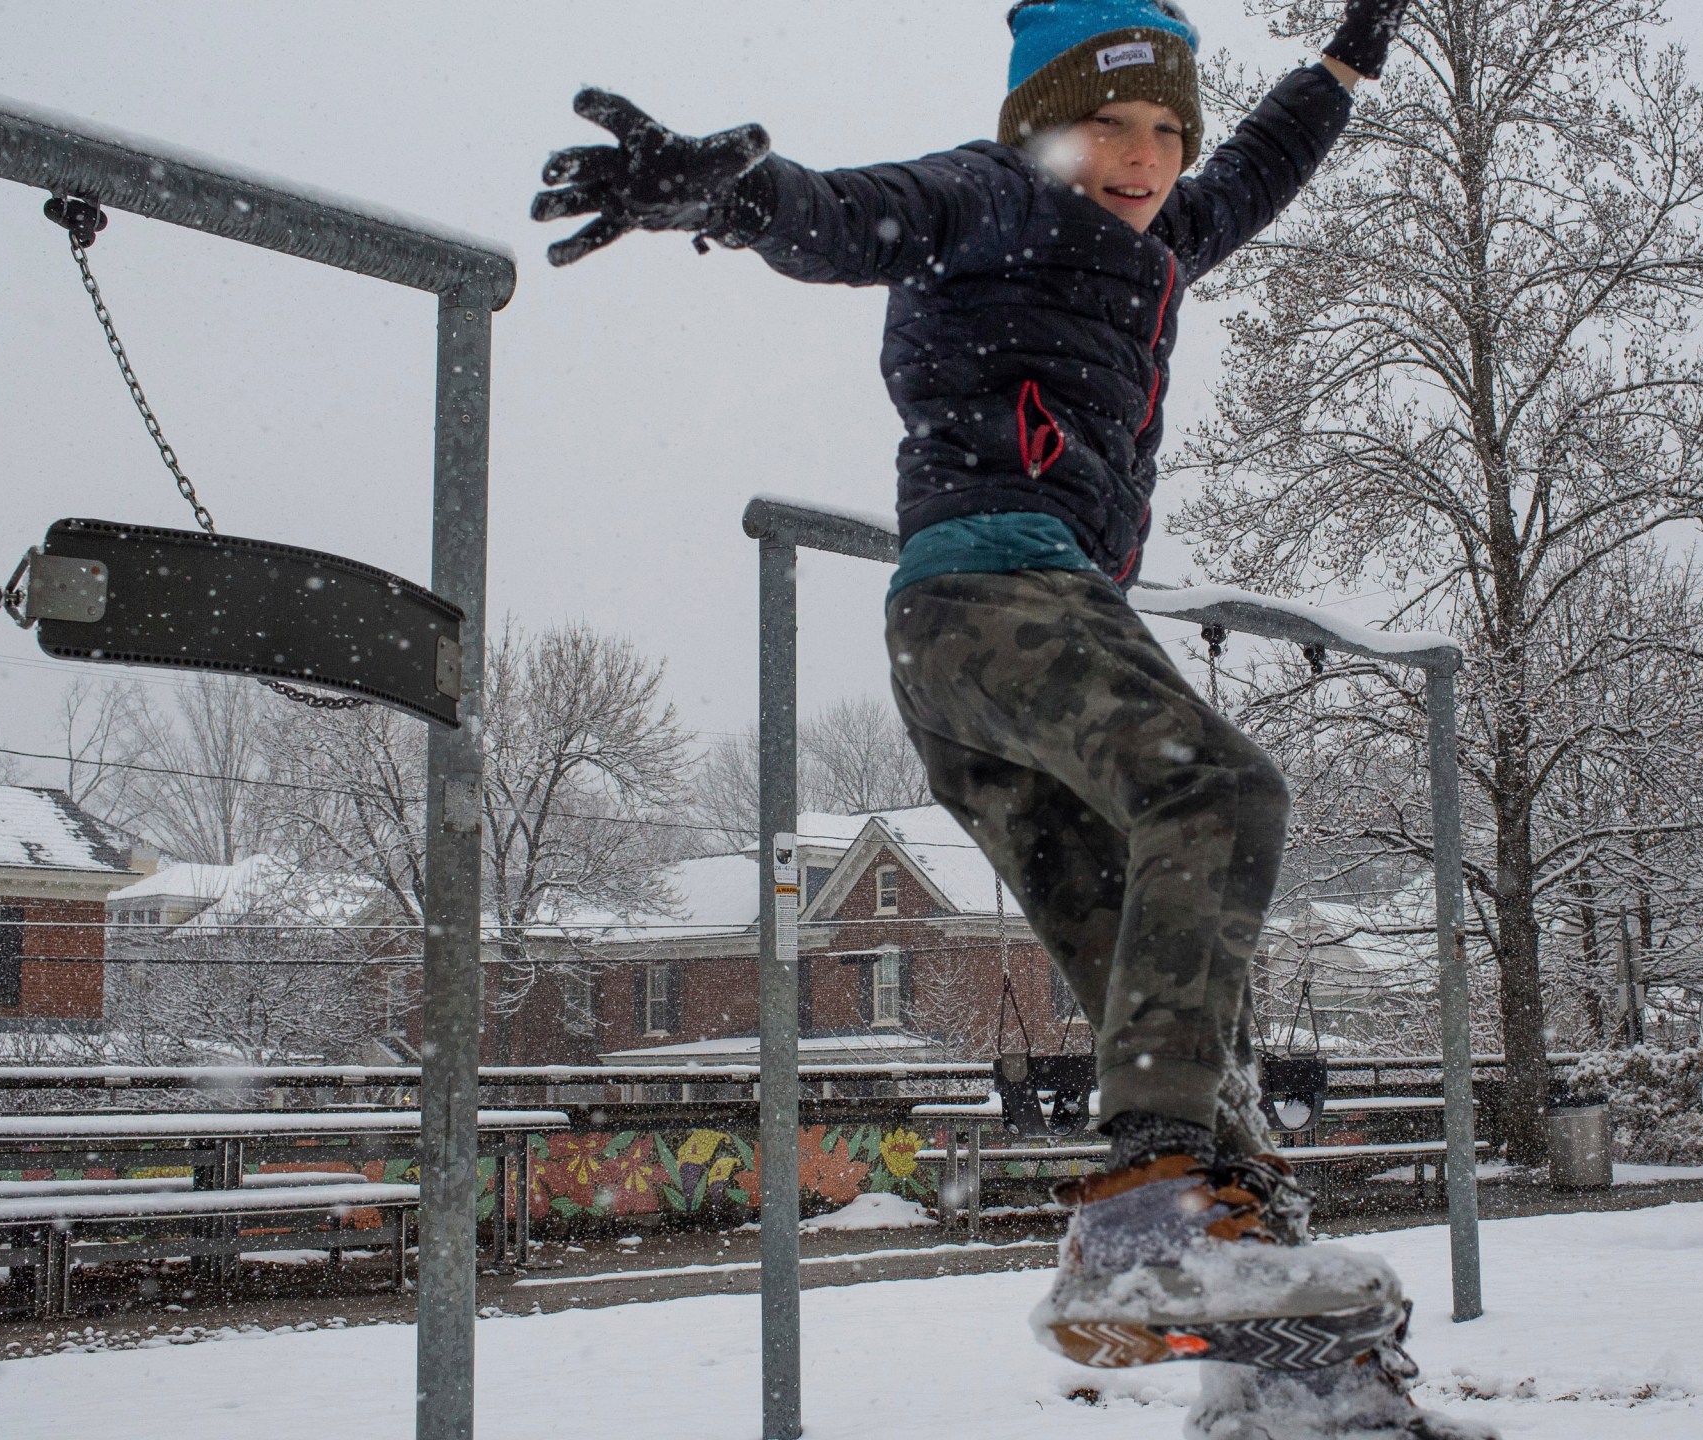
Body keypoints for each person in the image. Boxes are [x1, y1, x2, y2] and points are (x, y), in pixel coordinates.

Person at [535, 4, 1494, 1436]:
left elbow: (1263, 167)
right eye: (1111, 125)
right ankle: (1150, 1214)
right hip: (1000, 595)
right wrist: (733, 198)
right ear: (1047, 122)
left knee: (1159, 999)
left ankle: (1299, 1376)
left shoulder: (1163, 238)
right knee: (1222, 794)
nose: (1144, 159)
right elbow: (861, 215)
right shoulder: (994, 195)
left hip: (973, 666)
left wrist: (1348, 60)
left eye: (1166, 131)